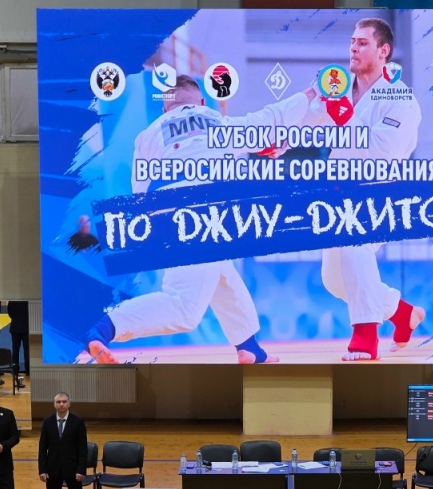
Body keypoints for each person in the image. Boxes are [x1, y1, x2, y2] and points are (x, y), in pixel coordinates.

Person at [76, 73, 314, 366]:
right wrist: (311, 92)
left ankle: (249, 348)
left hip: (171, 209)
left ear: (165, 108)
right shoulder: (220, 123)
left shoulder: (148, 135)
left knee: (222, 274)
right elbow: (272, 117)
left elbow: (141, 195)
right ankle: (101, 329)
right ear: (202, 101)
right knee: (183, 306)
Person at [316, 17, 426, 361]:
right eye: (352, 41)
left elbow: (383, 151)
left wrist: (343, 119)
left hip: (380, 189)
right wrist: (281, 142)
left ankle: (365, 336)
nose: (353, 47)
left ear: (383, 51)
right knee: (335, 280)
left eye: (362, 42)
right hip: (338, 191)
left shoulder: (401, 99)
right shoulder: (338, 88)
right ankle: (403, 313)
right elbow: (309, 120)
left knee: (356, 246)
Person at [38, 392, 89, 489]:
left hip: (73, 469)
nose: (61, 404)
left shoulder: (77, 422)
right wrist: (42, 469)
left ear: (69, 403)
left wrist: (81, 469)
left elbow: (82, 448)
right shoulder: (47, 422)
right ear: (54, 404)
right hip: (53, 469)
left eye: (64, 401)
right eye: (58, 402)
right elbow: (42, 447)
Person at [7, 300, 30, 378]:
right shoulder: (28, 301)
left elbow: (10, 313)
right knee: (27, 350)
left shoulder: (12, 301)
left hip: (15, 327)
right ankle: (28, 369)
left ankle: (15, 370)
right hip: (26, 327)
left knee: (15, 350)